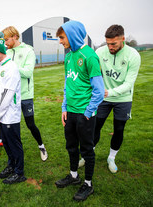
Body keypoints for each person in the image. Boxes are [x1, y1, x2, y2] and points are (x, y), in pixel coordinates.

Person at [54, 21, 104, 202]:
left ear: (73, 35)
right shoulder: (68, 57)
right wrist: (64, 107)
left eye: (62, 37)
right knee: (71, 146)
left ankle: (88, 184)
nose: (60, 41)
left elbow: (99, 90)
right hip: (70, 112)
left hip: (85, 113)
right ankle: (74, 176)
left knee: (87, 150)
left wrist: (88, 112)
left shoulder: (89, 56)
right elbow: (68, 84)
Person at [92, 25, 141, 173]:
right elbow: (93, 73)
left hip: (123, 98)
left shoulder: (133, 55)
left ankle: (111, 158)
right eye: (108, 44)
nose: (110, 47)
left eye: (114, 44)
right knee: (95, 126)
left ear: (123, 39)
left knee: (119, 129)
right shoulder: (100, 52)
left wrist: (109, 92)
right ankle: (88, 154)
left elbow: (128, 84)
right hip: (104, 97)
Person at [2, 26, 48, 162]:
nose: (5, 43)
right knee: (11, 125)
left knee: (30, 124)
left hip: (25, 95)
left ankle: (41, 146)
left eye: (7, 39)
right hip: (11, 95)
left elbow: (28, 72)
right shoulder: (7, 52)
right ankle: (15, 152)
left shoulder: (28, 51)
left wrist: (11, 66)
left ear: (15, 36)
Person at [0, 38, 27, 184]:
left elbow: (8, 95)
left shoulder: (11, 67)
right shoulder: (0, 66)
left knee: (15, 145)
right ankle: (11, 166)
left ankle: (19, 172)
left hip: (9, 115)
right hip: (0, 115)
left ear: (2, 51)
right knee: (6, 144)